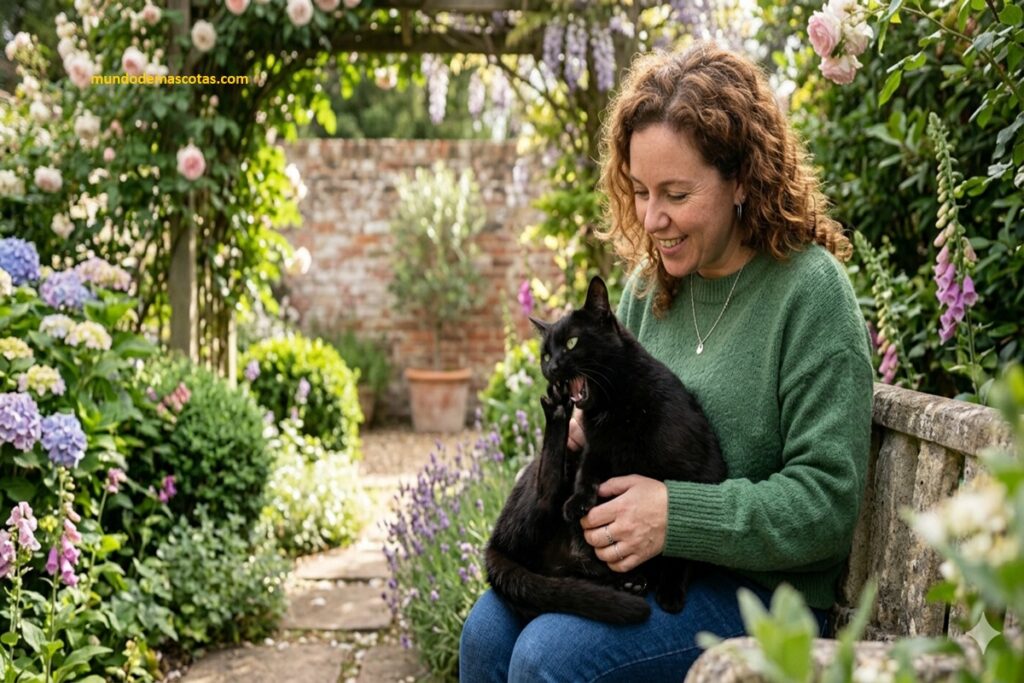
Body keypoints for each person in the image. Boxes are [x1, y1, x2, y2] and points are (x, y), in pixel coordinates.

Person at [459, 40, 874, 682]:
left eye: (676, 194)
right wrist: (582, 435)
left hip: (764, 597)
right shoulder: (647, 292)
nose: (652, 219)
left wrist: (676, 516)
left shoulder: (810, 295)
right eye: (640, 191)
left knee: (550, 659)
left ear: (741, 180)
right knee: (487, 633)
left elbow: (827, 504)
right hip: (645, 573)